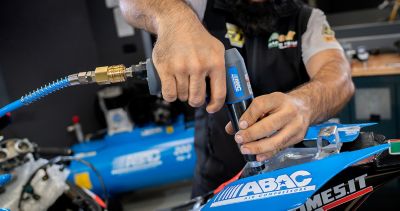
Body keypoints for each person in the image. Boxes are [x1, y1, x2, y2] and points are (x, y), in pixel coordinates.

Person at [119, 0, 355, 196]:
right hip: (218, 181)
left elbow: (339, 79)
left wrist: (303, 105)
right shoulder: (200, 7)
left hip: (293, 183)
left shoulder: (306, 19)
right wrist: (176, 19)